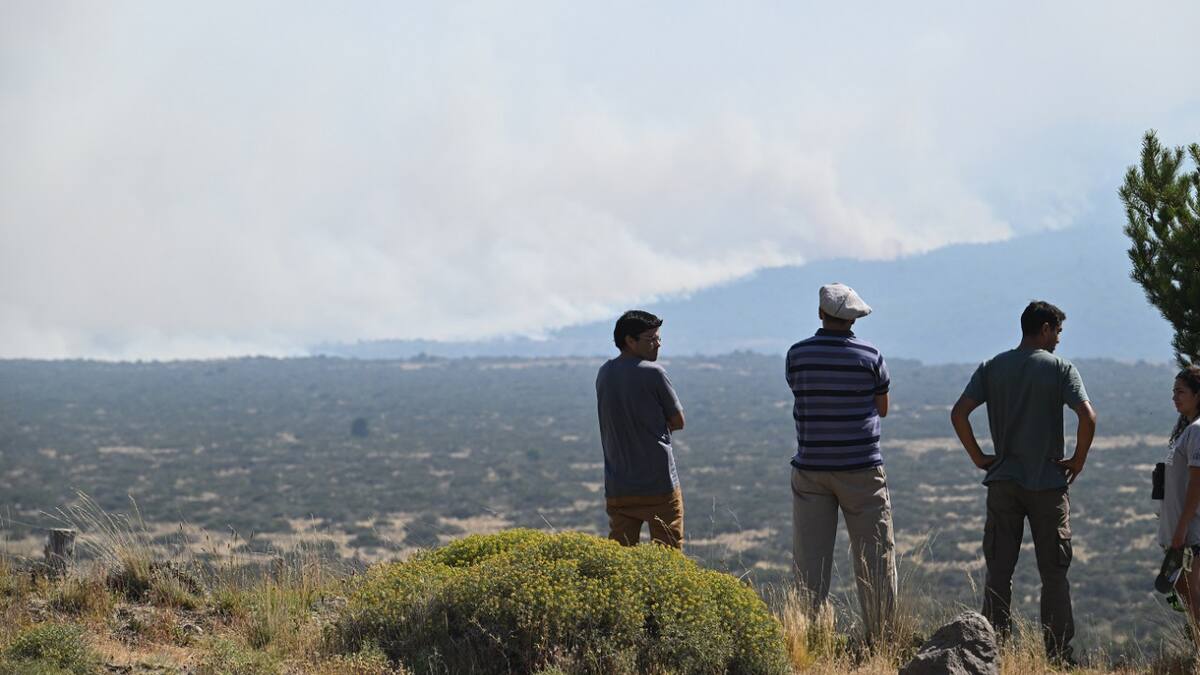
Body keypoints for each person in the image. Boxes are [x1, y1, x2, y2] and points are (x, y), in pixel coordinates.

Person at [950, 300, 1097, 664]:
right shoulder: (1061, 369)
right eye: (1058, 332)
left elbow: (959, 413)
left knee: (999, 571)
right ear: (1045, 328)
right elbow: (1087, 417)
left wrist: (979, 457)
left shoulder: (993, 367)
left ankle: (992, 652)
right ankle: (1059, 656)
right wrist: (1077, 461)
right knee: (1054, 573)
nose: (1059, 340)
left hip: (1004, 482)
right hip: (1048, 483)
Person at [787, 283, 896, 640]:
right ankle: (883, 640)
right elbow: (882, 407)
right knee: (875, 557)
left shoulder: (798, 355)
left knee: (809, 560)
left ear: (821, 313)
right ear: (854, 318)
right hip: (861, 468)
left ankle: (805, 639)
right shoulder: (871, 356)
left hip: (811, 468)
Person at [596, 310, 686, 548]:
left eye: (658, 338)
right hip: (659, 483)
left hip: (618, 485)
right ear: (630, 341)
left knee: (621, 556)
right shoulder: (654, 373)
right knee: (667, 554)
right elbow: (678, 421)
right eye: (651, 339)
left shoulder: (605, 373)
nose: (657, 344)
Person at [1157, 366, 1200, 620]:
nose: (1175, 396)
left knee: (1193, 597)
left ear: (1197, 395)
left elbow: (1197, 483)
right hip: (1183, 532)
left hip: (1191, 532)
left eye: (1181, 391)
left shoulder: (1196, 430)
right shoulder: (1187, 429)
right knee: (1185, 593)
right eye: (1174, 391)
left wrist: (1181, 529)